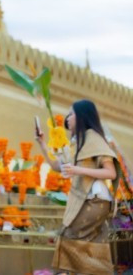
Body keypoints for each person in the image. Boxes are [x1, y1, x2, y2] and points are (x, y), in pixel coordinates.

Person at [37, 99, 118, 274]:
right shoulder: (78, 143)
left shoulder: (94, 138)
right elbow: (56, 166)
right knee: (90, 245)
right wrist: (42, 143)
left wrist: (78, 170)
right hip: (87, 201)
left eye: (71, 113)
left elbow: (110, 173)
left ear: (81, 116)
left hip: (96, 200)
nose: (68, 118)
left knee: (71, 238)